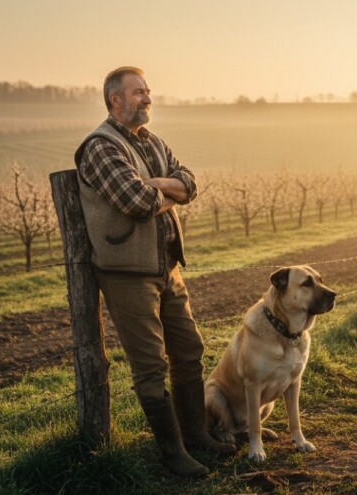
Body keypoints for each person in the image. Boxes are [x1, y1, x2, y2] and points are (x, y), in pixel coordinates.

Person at [74, 66, 235, 477]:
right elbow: (136, 202)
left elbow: (191, 184)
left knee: (189, 351)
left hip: (167, 266)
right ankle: (172, 452)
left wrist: (158, 184)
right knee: (150, 366)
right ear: (115, 100)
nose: (148, 98)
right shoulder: (100, 147)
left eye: (148, 91)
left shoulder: (152, 141)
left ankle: (196, 436)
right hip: (127, 271)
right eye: (139, 92)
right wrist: (167, 193)